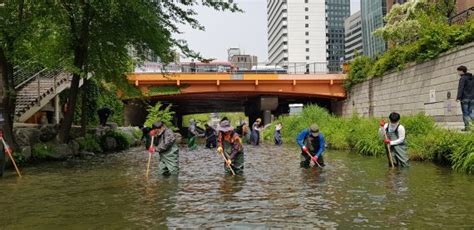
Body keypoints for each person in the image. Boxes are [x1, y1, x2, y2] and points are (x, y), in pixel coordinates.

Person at [456, 66, 474, 131]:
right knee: (471, 112)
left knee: (465, 113)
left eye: (458, 71)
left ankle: (467, 128)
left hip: (465, 98)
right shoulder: (472, 78)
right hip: (472, 98)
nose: (458, 73)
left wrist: (458, 97)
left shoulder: (462, 78)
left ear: (461, 71)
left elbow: (461, 88)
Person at [0, 113, 6, 177]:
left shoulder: (2, 129)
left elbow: (4, 138)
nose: (1, 124)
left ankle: (1, 174)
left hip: (1, 146)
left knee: (3, 159)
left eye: (1, 122)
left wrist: (7, 146)